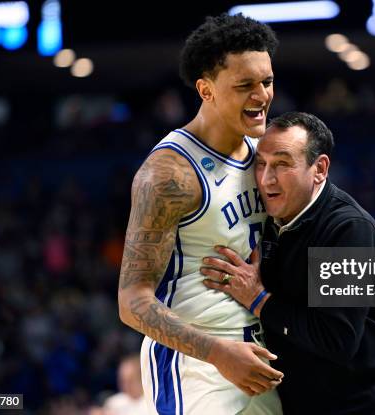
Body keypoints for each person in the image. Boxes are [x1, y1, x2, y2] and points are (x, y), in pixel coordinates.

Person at [118, 13, 284, 415]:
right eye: (244, 85)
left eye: (267, 81)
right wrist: (218, 353)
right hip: (198, 365)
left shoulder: (265, 152)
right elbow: (131, 300)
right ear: (206, 90)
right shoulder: (168, 174)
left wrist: (364, 230)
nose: (261, 96)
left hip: (263, 350)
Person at [202, 112, 375, 414]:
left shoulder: (347, 230)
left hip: (370, 405)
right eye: (261, 164)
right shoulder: (269, 213)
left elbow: (336, 340)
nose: (266, 179)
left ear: (320, 169)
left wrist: (259, 300)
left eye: (282, 164)